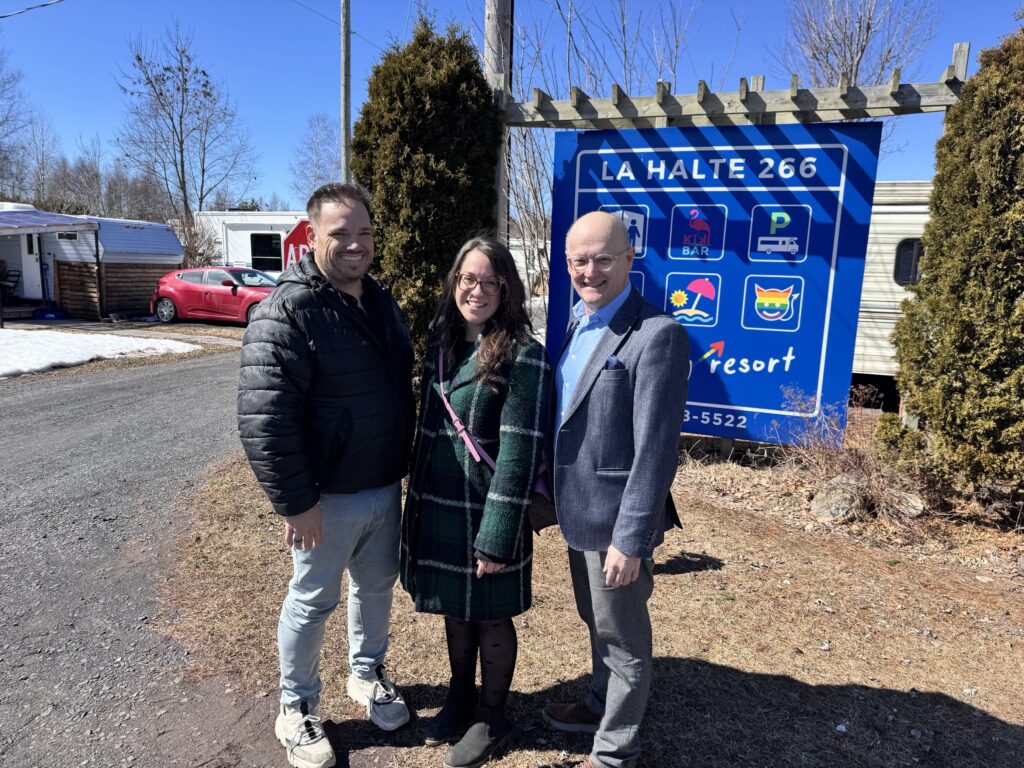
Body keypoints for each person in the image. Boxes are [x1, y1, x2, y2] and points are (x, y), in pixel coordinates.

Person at [237, 182, 416, 768]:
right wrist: (295, 502)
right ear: (311, 236)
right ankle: (297, 708)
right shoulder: (287, 309)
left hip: (383, 486)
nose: (355, 244)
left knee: (374, 589)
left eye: (364, 232)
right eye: (340, 234)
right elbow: (265, 417)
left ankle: (366, 676)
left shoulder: (379, 301)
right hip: (325, 499)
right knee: (312, 602)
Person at [542, 211, 689, 768]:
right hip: (577, 510)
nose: (590, 269)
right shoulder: (581, 322)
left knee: (624, 643)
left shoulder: (658, 335)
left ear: (630, 257)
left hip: (616, 522)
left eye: (604, 257)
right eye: (579, 259)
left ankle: (614, 752)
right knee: (595, 621)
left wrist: (632, 540)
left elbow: (655, 451)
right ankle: (599, 704)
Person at [401, 236, 551, 768]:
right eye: (468, 279)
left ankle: (493, 715)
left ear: (507, 289)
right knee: (454, 611)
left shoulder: (525, 356)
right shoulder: (441, 343)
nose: (477, 290)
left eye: (491, 281)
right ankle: (459, 695)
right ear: (454, 283)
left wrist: (497, 535)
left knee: (489, 617)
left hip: (487, 511)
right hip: (440, 503)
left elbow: (518, 456)